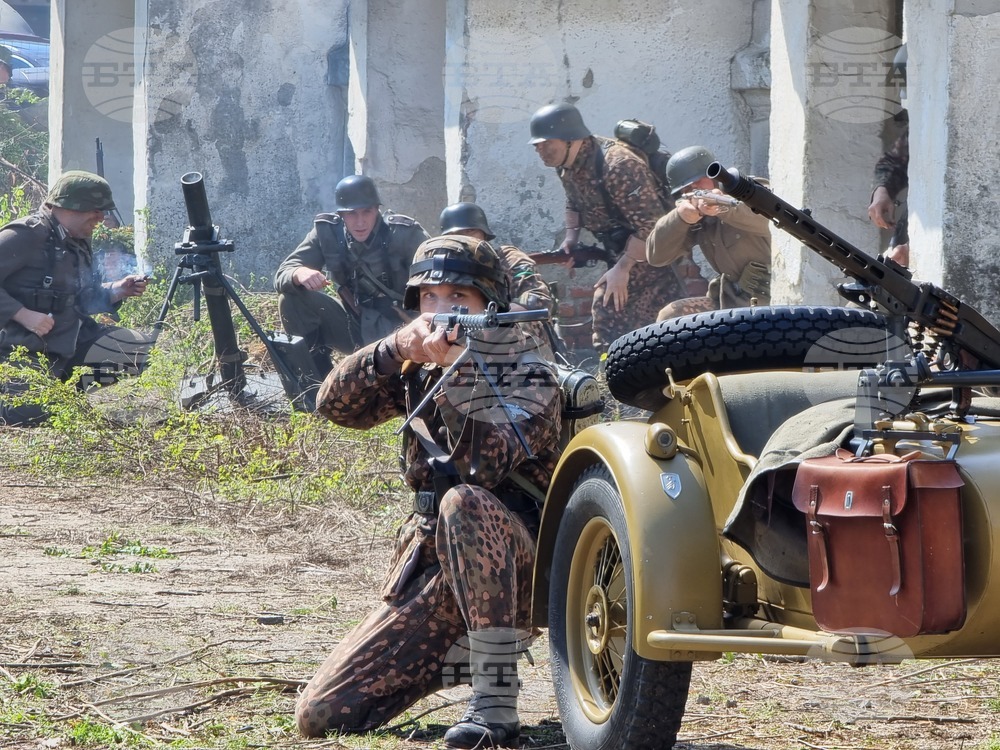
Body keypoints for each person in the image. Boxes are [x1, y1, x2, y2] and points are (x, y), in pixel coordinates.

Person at [295, 235, 562, 749]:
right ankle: (455, 650)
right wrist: (394, 350)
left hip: (521, 569)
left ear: (491, 307)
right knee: (323, 713)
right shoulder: (419, 368)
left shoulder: (527, 373)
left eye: (458, 299)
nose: (440, 312)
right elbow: (334, 407)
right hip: (439, 572)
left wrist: (462, 375)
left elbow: (481, 467)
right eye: (429, 299)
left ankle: (495, 698)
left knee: (465, 501)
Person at [528, 102, 707, 352]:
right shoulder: (567, 165)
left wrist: (622, 269)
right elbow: (573, 198)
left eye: (546, 142)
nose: (539, 149)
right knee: (646, 332)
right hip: (622, 251)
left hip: (652, 254)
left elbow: (653, 226)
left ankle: (613, 378)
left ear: (570, 137)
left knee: (611, 313)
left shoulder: (618, 165)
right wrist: (571, 238)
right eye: (537, 144)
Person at [0, 170, 151, 426]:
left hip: (67, 342)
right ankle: (36, 396)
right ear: (69, 207)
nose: (101, 218)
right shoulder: (26, 235)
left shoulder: (76, 239)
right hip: (19, 351)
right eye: (96, 210)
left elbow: (77, 297)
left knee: (137, 350)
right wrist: (22, 314)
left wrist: (115, 290)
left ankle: (63, 394)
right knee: (28, 415)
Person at [274, 174, 429, 377]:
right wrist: (299, 273)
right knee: (290, 299)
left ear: (377, 210)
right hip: (355, 325)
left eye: (367, 211)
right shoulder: (327, 232)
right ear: (341, 215)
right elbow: (283, 272)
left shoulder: (404, 233)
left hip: (401, 328)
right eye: (352, 213)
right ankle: (316, 384)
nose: (360, 221)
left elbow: (440, 271)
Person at [646, 146, 772, 320]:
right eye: (686, 188)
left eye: (698, 182)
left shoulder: (747, 188)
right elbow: (656, 256)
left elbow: (769, 220)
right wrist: (681, 218)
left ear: (713, 175)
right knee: (671, 316)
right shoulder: (698, 217)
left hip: (772, 299)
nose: (694, 190)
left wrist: (722, 206)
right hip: (732, 302)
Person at [439, 201, 571, 362]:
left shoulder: (507, 259)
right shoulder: (444, 271)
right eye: (457, 235)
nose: (464, 240)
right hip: (465, 347)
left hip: (520, 348)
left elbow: (538, 299)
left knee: (517, 324)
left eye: (470, 232)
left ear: (484, 235)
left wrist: (492, 320)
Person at [867, 44, 909, 267]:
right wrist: (882, 190)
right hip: (904, 246)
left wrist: (915, 247)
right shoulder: (923, 126)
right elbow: (895, 160)